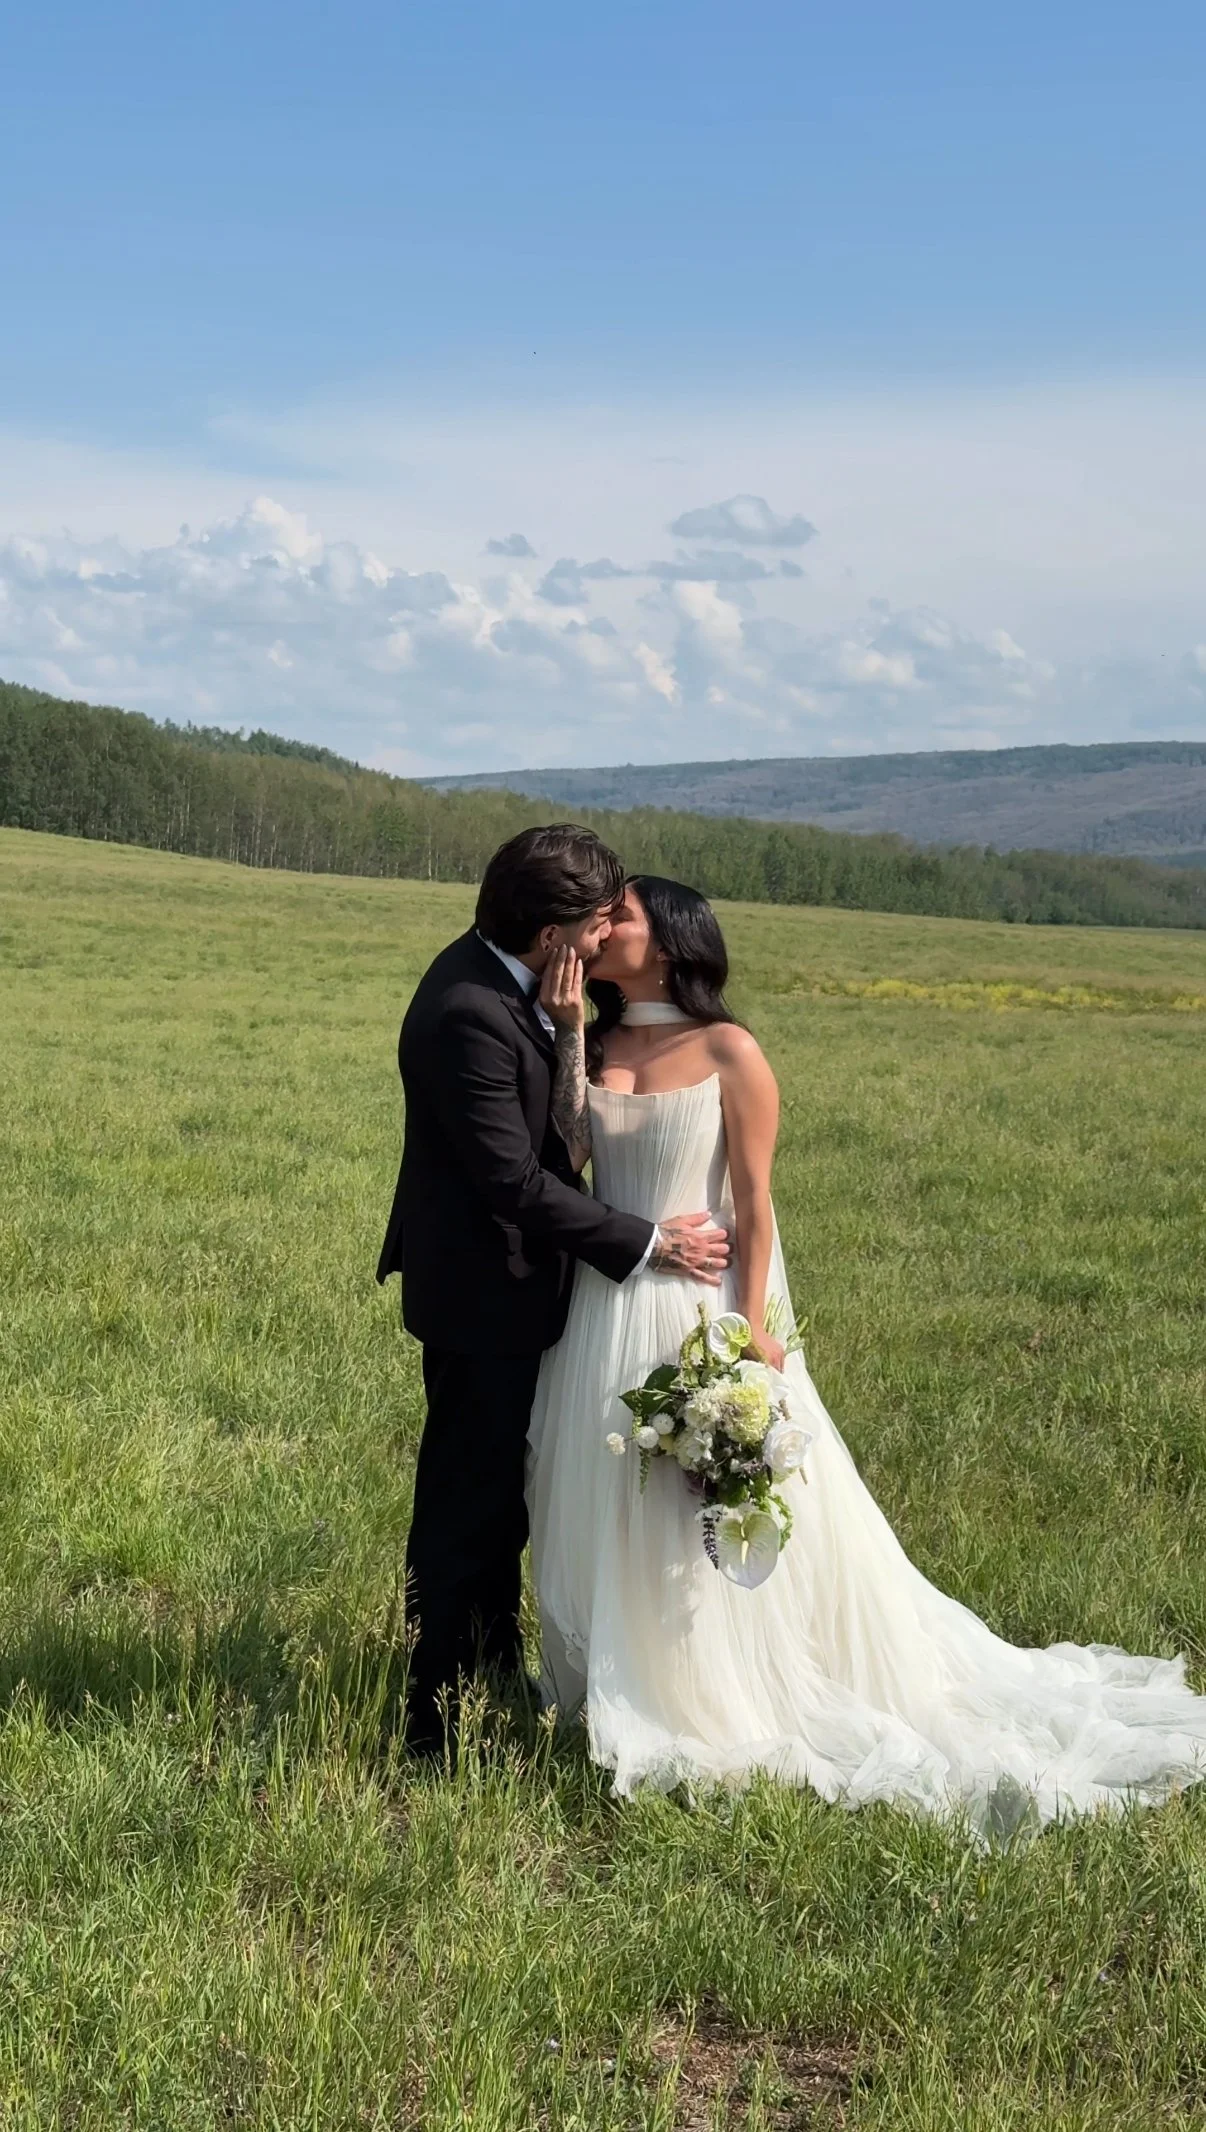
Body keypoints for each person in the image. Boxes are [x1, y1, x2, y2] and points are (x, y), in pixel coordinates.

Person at [526, 874, 1206, 1837]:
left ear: (671, 940)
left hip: (699, 1299)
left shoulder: (731, 1049)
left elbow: (754, 1201)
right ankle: (623, 1675)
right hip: (613, 1292)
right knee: (610, 1491)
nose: (602, 929)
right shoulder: (597, 1034)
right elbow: (570, 1156)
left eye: (621, 915)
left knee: (702, 1500)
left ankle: (721, 1683)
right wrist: (565, 1037)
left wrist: (754, 1331)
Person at [376, 827, 731, 1755]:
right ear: (550, 936)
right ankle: (434, 1725)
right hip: (480, 1295)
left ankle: (492, 1671)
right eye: (596, 921)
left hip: (519, 1287)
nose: (606, 934)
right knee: (465, 1508)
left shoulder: (520, 985)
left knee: (502, 1500)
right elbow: (518, 1185)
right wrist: (651, 1242)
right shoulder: (468, 1009)